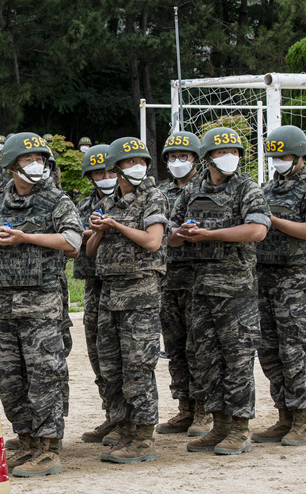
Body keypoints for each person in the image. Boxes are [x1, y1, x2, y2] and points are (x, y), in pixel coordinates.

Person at [0, 132, 82, 477]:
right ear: (12, 166)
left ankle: (48, 449)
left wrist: (26, 237)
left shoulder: (57, 201)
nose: (37, 166)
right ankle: (28, 442)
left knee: (45, 375)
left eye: (41, 160)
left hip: (43, 303)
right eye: (29, 160)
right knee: (12, 377)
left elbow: (73, 242)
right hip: (6, 305)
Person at [169, 126, 270, 456]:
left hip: (236, 291)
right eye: (223, 151)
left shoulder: (247, 188)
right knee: (207, 359)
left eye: (236, 152)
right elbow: (169, 235)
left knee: (237, 360)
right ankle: (220, 425)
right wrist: (183, 232)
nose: (230, 157)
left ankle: (240, 429)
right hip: (201, 289)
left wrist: (210, 234)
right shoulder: (192, 191)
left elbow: (257, 230)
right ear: (208, 157)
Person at [86, 137, 167, 464]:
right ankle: (124, 428)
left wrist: (115, 224)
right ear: (117, 167)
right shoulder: (108, 203)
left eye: (142, 162)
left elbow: (152, 241)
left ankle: (144, 436)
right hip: (110, 293)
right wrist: (100, 231)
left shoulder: (154, 197)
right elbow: (90, 253)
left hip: (141, 293)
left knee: (138, 365)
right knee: (112, 365)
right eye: (130, 162)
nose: (138, 168)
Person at [251, 125, 306, 447]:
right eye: (274, 156)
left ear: (298, 155)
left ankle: (303, 420)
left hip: (294, 282)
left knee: (293, 351)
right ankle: (283, 416)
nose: (277, 161)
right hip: (263, 280)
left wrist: (272, 220)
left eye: (282, 156)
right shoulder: (268, 187)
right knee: (268, 353)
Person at [156, 131, 212, 437]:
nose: (178, 162)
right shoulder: (162, 194)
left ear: (196, 159)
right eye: (173, 157)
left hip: (198, 278)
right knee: (175, 347)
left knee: (198, 346)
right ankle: (185, 407)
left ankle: (204, 409)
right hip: (169, 278)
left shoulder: (207, 190)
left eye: (185, 156)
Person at [73, 144, 120, 446]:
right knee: (98, 357)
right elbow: (72, 237)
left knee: (121, 357)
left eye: (109, 170)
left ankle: (126, 420)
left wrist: (92, 232)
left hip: (121, 285)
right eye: (98, 172)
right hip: (94, 286)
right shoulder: (85, 203)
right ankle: (112, 414)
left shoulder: (128, 200)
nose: (104, 176)